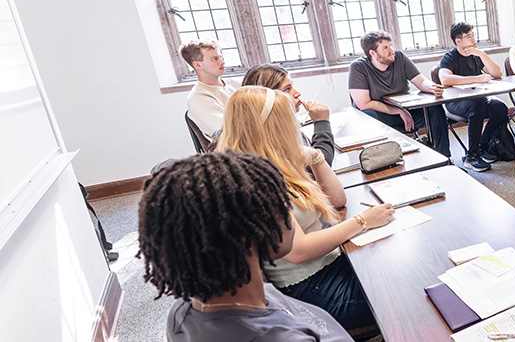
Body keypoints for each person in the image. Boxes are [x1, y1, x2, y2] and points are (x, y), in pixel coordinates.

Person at [218, 86, 397, 329]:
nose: (297, 123)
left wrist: (315, 156)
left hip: (329, 264)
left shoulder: (275, 161)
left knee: (398, 262)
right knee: (402, 288)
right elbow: (297, 251)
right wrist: (362, 222)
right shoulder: (255, 181)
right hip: (310, 287)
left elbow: (337, 200)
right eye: (290, 118)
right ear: (273, 127)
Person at [138, 152, 354, 341]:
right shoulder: (275, 337)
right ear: (248, 233)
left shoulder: (183, 310)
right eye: (279, 204)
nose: (289, 212)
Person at [349, 30, 451, 157]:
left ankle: (444, 157)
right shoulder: (358, 67)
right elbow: (363, 104)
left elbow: (420, 81)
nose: (391, 50)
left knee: (434, 108)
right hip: (382, 114)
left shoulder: (399, 57)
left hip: (406, 110)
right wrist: (398, 111)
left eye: (390, 45)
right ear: (373, 53)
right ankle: (383, 162)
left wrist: (433, 87)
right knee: (368, 115)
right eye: (385, 48)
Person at [439, 22, 509, 172]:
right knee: (476, 108)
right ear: (458, 41)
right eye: (469, 36)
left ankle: (483, 146)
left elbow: (497, 73)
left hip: (478, 98)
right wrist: (476, 78)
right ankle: (471, 156)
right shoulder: (449, 58)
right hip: (456, 102)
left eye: (473, 35)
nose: (473, 39)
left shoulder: (475, 56)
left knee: (500, 108)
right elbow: (445, 79)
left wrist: (481, 54)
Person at [244, 64, 336, 165]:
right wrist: (321, 122)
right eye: (287, 89)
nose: (297, 93)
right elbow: (321, 164)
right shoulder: (274, 136)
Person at [184, 39, 240, 140]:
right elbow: (231, 133)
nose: (222, 62)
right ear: (198, 65)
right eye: (215, 59)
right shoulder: (198, 98)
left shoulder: (237, 83)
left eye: (220, 57)